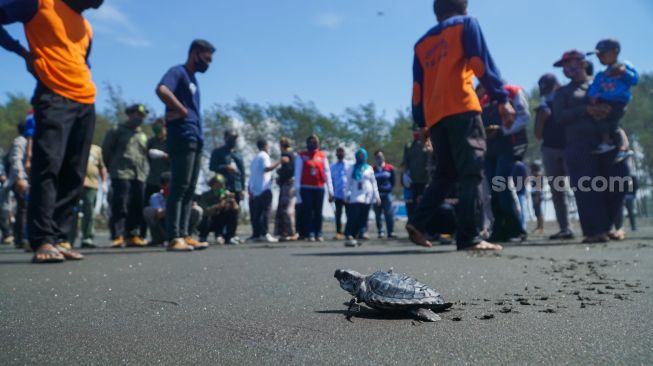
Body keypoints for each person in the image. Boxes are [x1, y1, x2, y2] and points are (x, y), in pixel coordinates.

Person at [407, 0, 515, 251]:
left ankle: (418, 222)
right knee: (472, 171)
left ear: (437, 14)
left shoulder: (422, 44)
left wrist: (422, 123)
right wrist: (501, 98)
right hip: (462, 108)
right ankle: (469, 237)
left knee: (446, 173)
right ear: (464, 7)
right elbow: (480, 63)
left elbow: (417, 89)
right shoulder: (467, 23)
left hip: (435, 116)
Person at [0, 0, 104, 263]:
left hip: (86, 101)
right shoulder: (38, 4)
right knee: (49, 165)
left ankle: (60, 237)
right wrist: (21, 52)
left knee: (75, 170)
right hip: (54, 96)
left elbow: (82, 61)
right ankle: (42, 238)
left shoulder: (86, 27)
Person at [156, 39, 215, 251]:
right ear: (195, 53)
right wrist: (180, 110)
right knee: (179, 187)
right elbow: (162, 90)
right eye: (206, 58)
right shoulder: (178, 72)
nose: (209, 63)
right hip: (182, 136)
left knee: (190, 188)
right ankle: (174, 237)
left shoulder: (193, 80)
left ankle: (184, 233)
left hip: (195, 138)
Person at [553, 49, 616, 243]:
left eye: (570, 63)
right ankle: (593, 231)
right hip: (578, 144)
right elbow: (560, 117)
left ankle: (611, 227)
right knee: (586, 188)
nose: (567, 68)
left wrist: (606, 110)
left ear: (582, 62)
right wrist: (586, 109)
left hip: (605, 141)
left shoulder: (599, 84)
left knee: (613, 184)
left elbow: (617, 106)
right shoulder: (562, 92)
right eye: (564, 65)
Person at [478, 83, 529, 242]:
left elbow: (524, 116)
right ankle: (499, 228)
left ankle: (516, 229)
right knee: (493, 190)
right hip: (489, 150)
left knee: (502, 186)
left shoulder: (512, 92)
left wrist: (502, 130)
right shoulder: (483, 99)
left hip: (508, 147)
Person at [102, 104, 149, 248]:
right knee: (120, 203)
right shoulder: (117, 131)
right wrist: (112, 168)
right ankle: (118, 235)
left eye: (142, 115)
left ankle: (133, 235)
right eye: (137, 114)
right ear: (129, 114)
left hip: (139, 174)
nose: (139, 118)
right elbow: (106, 151)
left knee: (137, 203)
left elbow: (144, 155)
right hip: (121, 173)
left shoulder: (142, 135)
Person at [534, 73, 574, 240]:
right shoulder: (542, 107)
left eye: (550, 90)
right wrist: (542, 119)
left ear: (558, 86)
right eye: (545, 92)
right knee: (557, 191)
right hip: (549, 150)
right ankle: (565, 228)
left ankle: (592, 226)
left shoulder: (568, 99)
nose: (548, 94)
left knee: (581, 186)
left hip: (570, 148)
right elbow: (537, 135)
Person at [587, 39, 639, 160]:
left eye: (602, 54)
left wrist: (624, 72)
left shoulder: (624, 66)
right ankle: (607, 142)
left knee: (613, 124)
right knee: (600, 120)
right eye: (598, 55)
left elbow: (634, 80)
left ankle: (623, 148)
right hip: (603, 102)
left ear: (615, 52)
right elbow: (594, 88)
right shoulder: (601, 74)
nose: (599, 57)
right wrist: (593, 98)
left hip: (618, 103)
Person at [143, 172, 203, 247]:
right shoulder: (156, 197)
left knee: (197, 210)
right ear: (162, 185)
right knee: (148, 210)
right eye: (169, 184)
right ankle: (159, 239)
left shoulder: (182, 195)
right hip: (163, 225)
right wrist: (174, 207)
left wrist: (188, 206)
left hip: (180, 223)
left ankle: (186, 236)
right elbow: (159, 215)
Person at [294, 135, 334, 242]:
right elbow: (297, 173)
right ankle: (310, 232)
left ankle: (318, 232)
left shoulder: (322, 156)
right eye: (311, 142)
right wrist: (297, 190)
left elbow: (327, 173)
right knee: (308, 211)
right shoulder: (301, 155)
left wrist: (330, 190)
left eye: (315, 142)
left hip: (319, 187)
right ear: (307, 144)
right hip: (305, 188)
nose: (314, 144)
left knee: (318, 211)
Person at [209, 130, 246, 245]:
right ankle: (219, 234)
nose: (233, 141)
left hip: (236, 186)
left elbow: (242, 172)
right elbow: (212, 166)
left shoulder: (238, 154)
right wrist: (225, 167)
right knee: (222, 210)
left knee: (234, 211)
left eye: (234, 138)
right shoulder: (218, 152)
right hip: (222, 186)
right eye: (231, 138)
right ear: (225, 138)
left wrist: (242, 188)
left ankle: (231, 235)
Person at [69, 144, 106, 248]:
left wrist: (103, 182)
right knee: (72, 212)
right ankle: (68, 239)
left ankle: (87, 238)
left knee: (90, 210)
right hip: (74, 184)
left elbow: (102, 167)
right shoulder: (73, 144)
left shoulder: (96, 149)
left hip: (91, 184)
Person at [344, 149, 381, 247]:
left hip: (367, 195)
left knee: (364, 216)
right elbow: (348, 183)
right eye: (359, 155)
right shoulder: (352, 168)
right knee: (354, 215)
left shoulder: (369, 168)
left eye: (362, 155)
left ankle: (363, 232)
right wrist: (346, 194)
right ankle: (350, 233)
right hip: (355, 195)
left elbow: (374, 183)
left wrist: (376, 196)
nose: (360, 157)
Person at [7, 119, 34, 250]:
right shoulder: (20, 141)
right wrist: (20, 177)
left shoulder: (30, 141)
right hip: (21, 179)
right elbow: (16, 160)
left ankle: (21, 237)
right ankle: (22, 237)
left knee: (24, 209)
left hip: (27, 178)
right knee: (23, 209)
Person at [142, 118, 170, 242]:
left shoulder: (171, 141)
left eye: (159, 127)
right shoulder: (151, 142)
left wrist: (164, 155)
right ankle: (146, 236)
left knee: (169, 209)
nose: (157, 130)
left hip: (168, 181)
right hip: (152, 180)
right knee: (149, 208)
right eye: (155, 128)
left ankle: (173, 235)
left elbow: (176, 160)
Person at [248, 139, 280, 243]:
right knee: (266, 211)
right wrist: (280, 161)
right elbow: (267, 168)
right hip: (264, 188)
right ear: (265, 145)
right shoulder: (264, 156)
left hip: (256, 189)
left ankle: (256, 234)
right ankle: (265, 233)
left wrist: (250, 189)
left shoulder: (255, 158)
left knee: (257, 213)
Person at [198, 174, 239, 245]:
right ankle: (203, 236)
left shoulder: (226, 195)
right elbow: (204, 211)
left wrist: (233, 203)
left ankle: (228, 237)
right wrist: (218, 206)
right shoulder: (205, 196)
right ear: (212, 185)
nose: (221, 187)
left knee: (233, 213)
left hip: (220, 221)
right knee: (205, 217)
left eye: (222, 185)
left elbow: (236, 210)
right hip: (209, 221)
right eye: (218, 184)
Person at [401, 130, 430, 220]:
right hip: (411, 182)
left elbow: (431, 161)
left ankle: (422, 227)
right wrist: (404, 175)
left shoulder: (428, 144)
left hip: (424, 180)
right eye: (415, 131)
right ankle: (412, 225)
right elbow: (405, 163)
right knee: (410, 205)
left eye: (418, 130)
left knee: (423, 203)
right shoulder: (409, 145)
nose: (416, 133)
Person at [274, 138, 297, 242]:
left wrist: (279, 172)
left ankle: (290, 232)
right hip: (286, 184)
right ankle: (285, 232)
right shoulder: (292, 155)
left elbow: (287, 167)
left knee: (286, 209)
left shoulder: (287, 154)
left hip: (288, 184)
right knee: (284, 208)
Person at [373, 150, 397, 239]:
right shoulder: (372, 169)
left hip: (387, 194)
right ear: (375, 159)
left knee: (389, 214)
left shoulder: (389, 168)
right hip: (376, 195)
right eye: (377, 157)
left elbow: (393, 181)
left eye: (381, 156)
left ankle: (391, 231)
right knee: (377, 214)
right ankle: (380, 231)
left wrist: (389, 189)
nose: (379, 159)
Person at [330, 147, 349, 240]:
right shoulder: (332, 166)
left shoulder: (349, 165)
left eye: (341, 152)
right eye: (338, 152)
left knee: (349, 214)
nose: (340, 154)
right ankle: (338, 232)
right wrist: (330, 194)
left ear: (344, 153)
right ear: (336, 154)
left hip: (348, 194)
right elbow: (331, 181)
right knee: (338, 214)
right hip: (337, 194)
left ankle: (348, 231)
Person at [529, 161, 545, 236]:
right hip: (535, 194)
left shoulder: (538, 175)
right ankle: (538, 227)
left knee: (539, 212)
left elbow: (539, 187)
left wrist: (537, 197)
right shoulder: (536, 175)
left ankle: (541, 228)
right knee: (537, 211)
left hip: (536, 194)